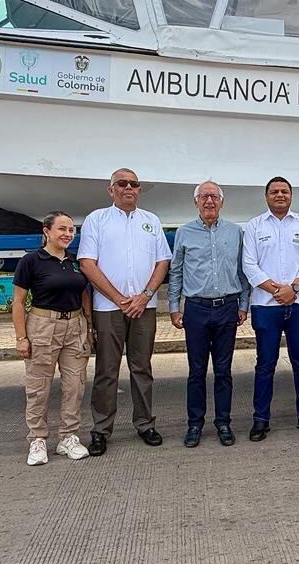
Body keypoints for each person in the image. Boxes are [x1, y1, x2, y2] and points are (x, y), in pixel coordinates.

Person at [79, 167, 171, 453]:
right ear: (111, 190)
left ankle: (145, 424)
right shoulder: (97, 220)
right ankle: (101, 429)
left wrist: (144, 296)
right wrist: (119, 298)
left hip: (145, 307)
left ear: (139, 189)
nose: (128, 187)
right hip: (108, 308)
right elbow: (87, 263)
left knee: (142, 368)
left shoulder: (151, 221)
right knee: (106, 369)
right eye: (122, 183)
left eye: (133, 183)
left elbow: (162, 262)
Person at [168, 180, 249, 448]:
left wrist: (243, 304)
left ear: (222, 201)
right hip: (196, 309)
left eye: (214, 196)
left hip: (227, 307)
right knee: (196, 371)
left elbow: (242, 270)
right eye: (203, 196)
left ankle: (223, 422)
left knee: (224, 370)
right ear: (195, 202)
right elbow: (176, 271)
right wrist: (173, 306)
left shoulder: (236, 232)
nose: (209, 201)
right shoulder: (184, 232)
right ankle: (195, 424)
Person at [242, 177, 299, 442]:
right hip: (266, 306)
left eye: (284, 191)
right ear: (266, 196)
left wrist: (294, 288)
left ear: (291, 196)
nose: (279, 195)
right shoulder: (254, 226)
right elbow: (249, 265)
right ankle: (260, 418)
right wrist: (277, 290)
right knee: (265, 363)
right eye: (274, 191)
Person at [12, 211, 92, 466]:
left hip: (75, 326)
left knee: (75, 385)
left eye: (71, 230)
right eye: (62, 229)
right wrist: (21, 337)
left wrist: (89, 328)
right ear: (46, 231)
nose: (68, 234)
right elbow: (18, 301)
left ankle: (68, 437)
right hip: (43, 325)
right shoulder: (31, 261)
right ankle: (37, 439)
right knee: (38, 387)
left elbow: (83, 294)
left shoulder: (73, 261)